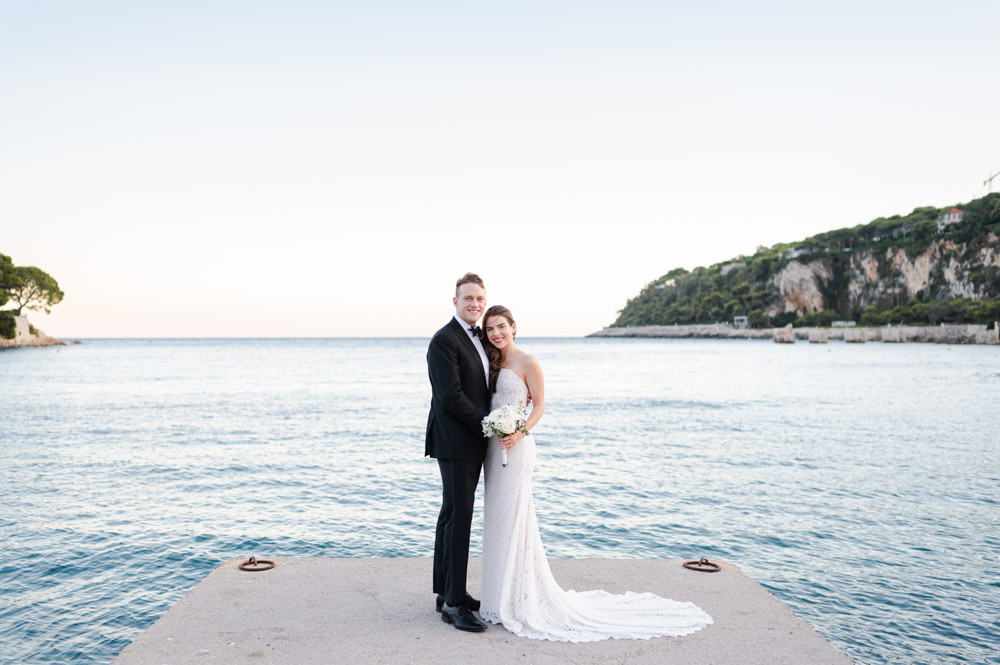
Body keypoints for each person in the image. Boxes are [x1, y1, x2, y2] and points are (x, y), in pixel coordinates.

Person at [478, 305, 713, 642]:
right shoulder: (493, 364)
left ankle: (518, 599)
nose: (495, 333)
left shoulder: (529, 362)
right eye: (490, 330)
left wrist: (519, 432)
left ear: (514, 327)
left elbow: (540, 404)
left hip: (517, 449)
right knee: (497, 521)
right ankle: (496, 598)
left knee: (517, 519)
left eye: (501, 327)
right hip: (494, 452)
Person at [425, 272, 491, 633]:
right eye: (468, 299)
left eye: (479, 299)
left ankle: (446, 592)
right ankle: (454, 605)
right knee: (459, 517)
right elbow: (450, 396)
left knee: (451, 514)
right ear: (455, 301)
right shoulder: (443, 340)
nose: (475, 305)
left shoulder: (479, 337)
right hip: (456, 442)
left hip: (471, 441)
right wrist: (490, 422)